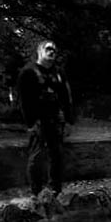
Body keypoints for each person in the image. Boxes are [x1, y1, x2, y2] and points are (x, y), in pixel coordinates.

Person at [17, 40, 74, 196]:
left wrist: (69, 121)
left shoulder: (58, 73)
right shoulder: (28, 72)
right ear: (40, 51)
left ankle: (55, 191)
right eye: (48, 49)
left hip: (55, 119)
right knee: (36, 156)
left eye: (54, 50)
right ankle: (36, 192)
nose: (52, 52)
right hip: (38, 120)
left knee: (57, 156)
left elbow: (66, 97)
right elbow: (24, 100)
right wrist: (30, 123)